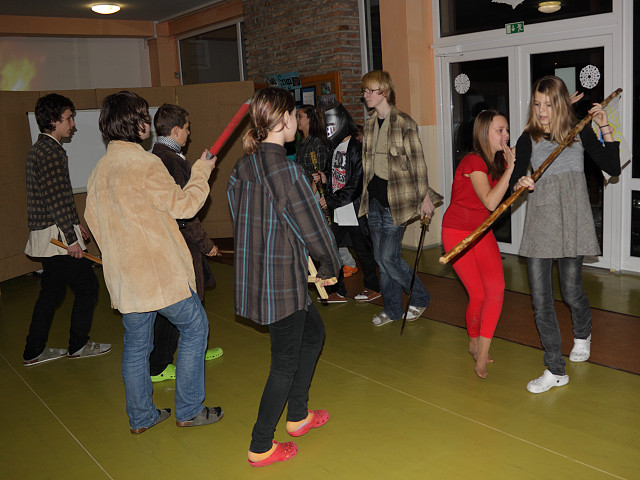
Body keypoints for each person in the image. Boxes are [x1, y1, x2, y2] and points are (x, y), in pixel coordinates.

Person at [85, 91, 222, 433]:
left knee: (136, 346)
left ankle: (142, 416)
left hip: (126, 279)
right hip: (159, 275)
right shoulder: (145, 164)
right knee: (195, 327)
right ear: (137, 124)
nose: (148, 122)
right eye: (144, 116)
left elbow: (93, 222)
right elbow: (184, 207)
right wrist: (202, 170)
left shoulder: (99, 170)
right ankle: (189, 410)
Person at [227, 87, 340, 467]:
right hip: (281, 283)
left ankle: (298, 415)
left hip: (258, 275)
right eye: (293, 114)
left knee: (314, 335)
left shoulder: (242, 167)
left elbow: (242, 216)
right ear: (284, 119)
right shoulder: (287, 171)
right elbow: (315, 230)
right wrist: (330, 266)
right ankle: (261, 445)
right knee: (284, 363)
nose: (296, 119)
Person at [511, 76, 620, 393]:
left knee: (571, 291)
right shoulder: (527, 138)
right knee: (541, 300)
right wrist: (519, 182)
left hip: (571, 218)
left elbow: (612, 168)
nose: (542, 110)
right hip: (541, 221)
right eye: (537, 104)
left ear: (560, 104)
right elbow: (515, 176)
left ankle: (583, 333)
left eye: (549, 104)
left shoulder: (578, 132)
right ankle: (555, 369)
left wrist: (604, 126)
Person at [23, 93, 110, 366]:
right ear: (53, 120)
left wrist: (75, 225)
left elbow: (57, 198)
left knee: (51, 293)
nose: (73, 124)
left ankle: (34, 350)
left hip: (54, 233)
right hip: (58, 239)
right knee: (87, 287)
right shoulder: (50, 153)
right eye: (69, 118)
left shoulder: (42, 150)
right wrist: (71, 239)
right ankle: (78, 345)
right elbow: (56, 200)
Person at [359, 70, 443, 326]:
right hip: (374, 201)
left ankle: (420, 297)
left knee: (388, 257)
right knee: (381, 260)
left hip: (397, 202)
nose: (365, 95)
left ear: (384, 92)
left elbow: (418, 164)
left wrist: (425, 198)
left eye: (370, 91)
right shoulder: (369, 125)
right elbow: (368, 166)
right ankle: (393, 309)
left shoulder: (405, 123)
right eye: (364, 91)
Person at [148, 104, 223, 383]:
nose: (190, 133)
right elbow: (184, 213)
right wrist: (206, 244)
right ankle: (159, 365)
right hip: (180, 244)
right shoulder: (169, 161)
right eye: (187, 128)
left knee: (188, 301)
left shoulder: (158, 156)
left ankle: (195, 348)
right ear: (176, 130)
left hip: (173, 242)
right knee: (179, 304)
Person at [441, 110, 515, 378]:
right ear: (485, 133)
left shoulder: (498, 161)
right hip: (456, 232)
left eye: (507, 130)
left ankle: (482, 353)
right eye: (500, 130)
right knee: (479, 294)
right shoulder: (472, 161)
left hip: (482, 232)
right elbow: (491, 201)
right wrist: (511, 169)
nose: (506, 135)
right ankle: (473, 341)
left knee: (496, 288)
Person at [317, 103, 380, 303]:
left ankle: (373, 287)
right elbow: (333, 174)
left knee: (363, 251)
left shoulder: (356, 149)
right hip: (338, 210)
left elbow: (355, 184)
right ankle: (338, 290)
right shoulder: (335, 149)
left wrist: (330, 200)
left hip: (353, 210)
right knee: (332, 248)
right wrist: (324, 178)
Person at [295, 104, 332, 184]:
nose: (297, 120)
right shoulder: (302, 140)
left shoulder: (317, 142)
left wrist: (312, 190)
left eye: (300, 116)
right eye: (296, 116)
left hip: (314, 188)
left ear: (309, 119)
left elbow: (320, 172)